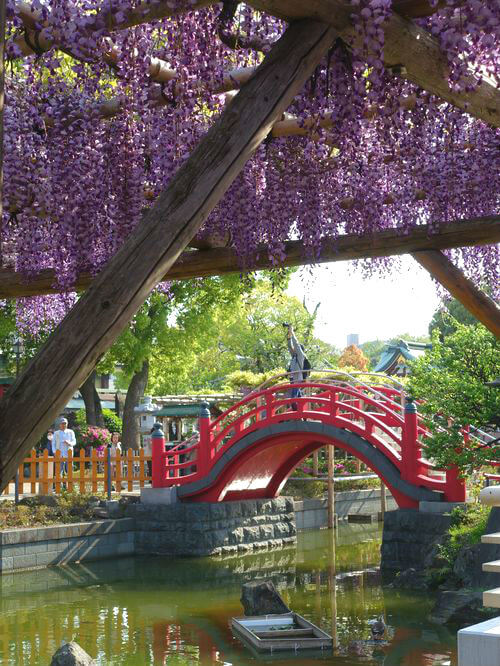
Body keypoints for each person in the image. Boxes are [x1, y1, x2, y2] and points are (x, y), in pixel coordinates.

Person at [285, 324, 306, 404]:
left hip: (297, 378)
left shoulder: (301, 356)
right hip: (293, 378)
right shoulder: (294, 355)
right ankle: (301, 408)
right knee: (297, 394)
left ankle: (296, 409)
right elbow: (290, 346)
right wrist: (289, 336)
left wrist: (292, 332)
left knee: (294, 396)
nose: (294, 349)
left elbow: (296, 345)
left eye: (297, 349)